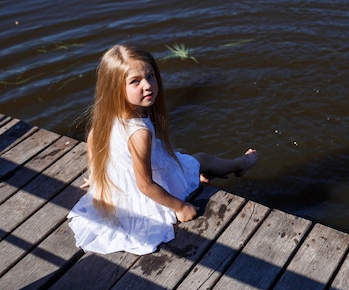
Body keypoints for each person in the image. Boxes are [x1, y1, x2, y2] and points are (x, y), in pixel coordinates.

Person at [67, 44, 258, 255]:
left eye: (150, 76)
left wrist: (95, 175)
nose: (147, 86)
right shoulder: (139, 133)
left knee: (181, 155)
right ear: (115, 89)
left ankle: (202, 175)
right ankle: (242, 163)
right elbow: (145, 185)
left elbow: (94, 141)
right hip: (147, 194)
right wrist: (180, 207)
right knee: (200, 158)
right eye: (135, 82)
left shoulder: (107, 114)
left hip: (121, 184)